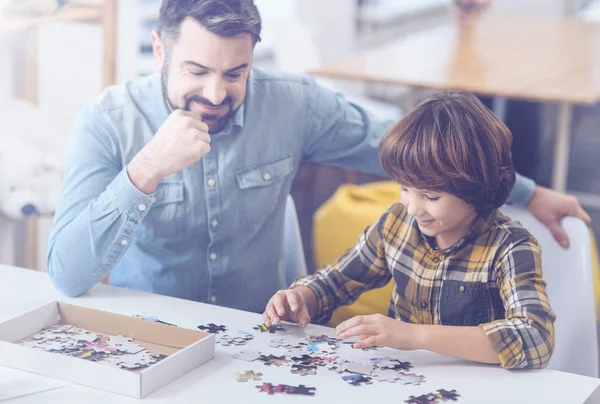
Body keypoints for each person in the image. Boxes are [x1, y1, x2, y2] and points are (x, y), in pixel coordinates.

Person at [48, 0, 588, 314]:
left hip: (260, 334)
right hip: (153, 334)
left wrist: (530, 191)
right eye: (197, 71)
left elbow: (415, 149)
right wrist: (145, 171)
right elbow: (68, 274)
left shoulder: (293, 103)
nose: (216, 94)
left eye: (234, 73)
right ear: (160, 52)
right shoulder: (106, 121)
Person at [263, 91, 555, 369]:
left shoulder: (511, 247)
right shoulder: (397, 222)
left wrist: (415, 336)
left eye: (431, 197)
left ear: (476, 188)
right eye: (404, 188)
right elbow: (336, 282)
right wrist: (300, 297)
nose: (413, 208)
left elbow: (534, 337)